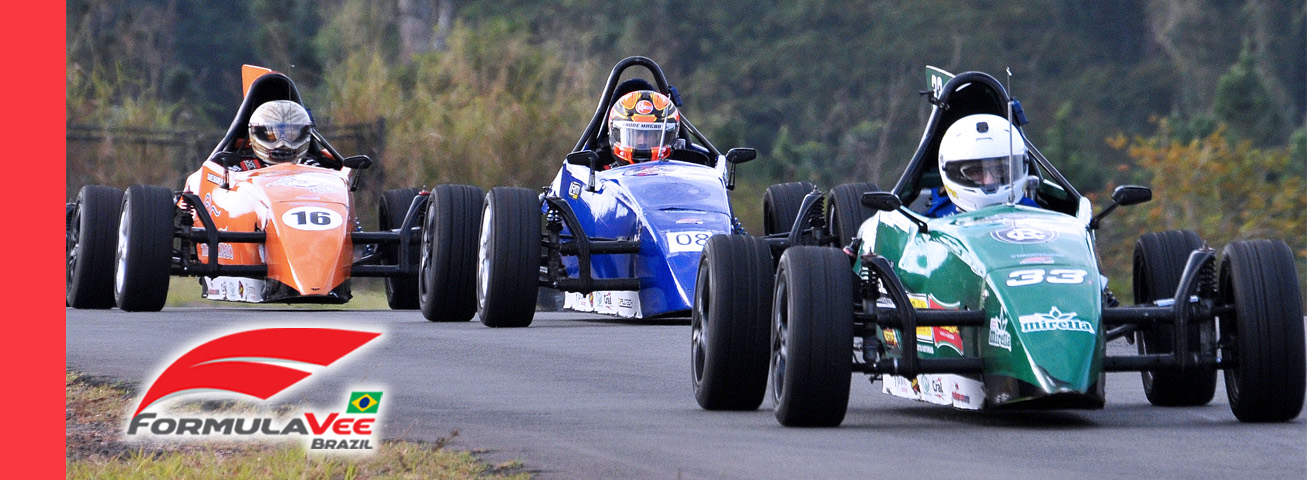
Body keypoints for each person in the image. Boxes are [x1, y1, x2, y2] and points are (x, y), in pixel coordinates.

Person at [926, 113, 1038, 217]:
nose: (990, 182)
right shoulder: (933, 224)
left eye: (1000, 169)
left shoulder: (1039, 217)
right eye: (976, 172)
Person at [607, 90, 680, 167]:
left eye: (650, 135)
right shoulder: (599, 174)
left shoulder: (684, 172)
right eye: (636, 134)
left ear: (667, 137)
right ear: (616, 134)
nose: (642, 141)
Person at [235, 100, 315, 170]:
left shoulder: (313, 166)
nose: (282, 143)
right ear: (259, 133)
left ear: (303, 134)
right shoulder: (241, 168)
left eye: (290, 133)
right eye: (272, 134)